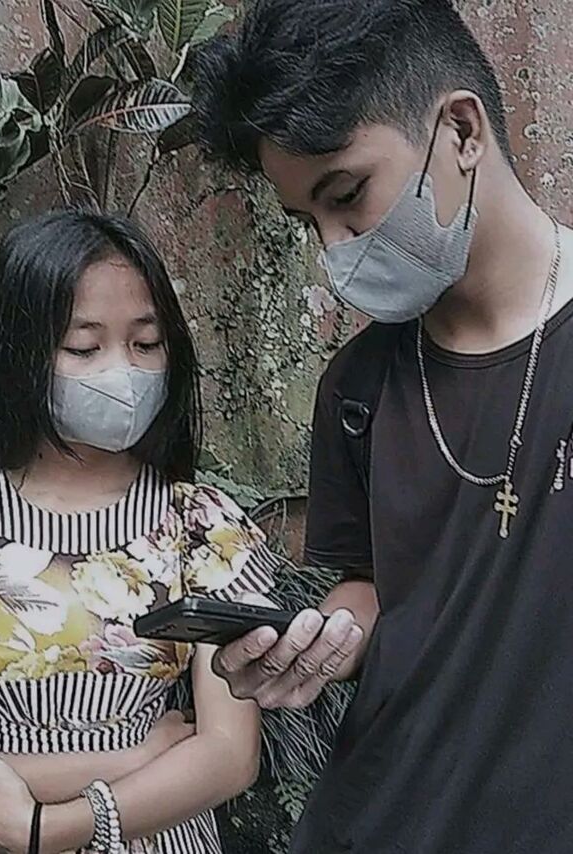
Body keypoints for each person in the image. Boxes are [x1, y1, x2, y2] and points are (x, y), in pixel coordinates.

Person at [192, 0, 573, 852]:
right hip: (379, 818)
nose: (335, 250)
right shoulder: (357, 387)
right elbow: (370, 582)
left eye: (347, 195)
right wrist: (323, 642)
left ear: (462, 131)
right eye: (308, 222)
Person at [0, 211, 281, 853]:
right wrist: (134, 758)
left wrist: (39, 826)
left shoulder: (202, 526)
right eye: (84, 348)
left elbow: (230, 756)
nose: (122, 371)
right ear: (19, 354)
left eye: (145, 344)